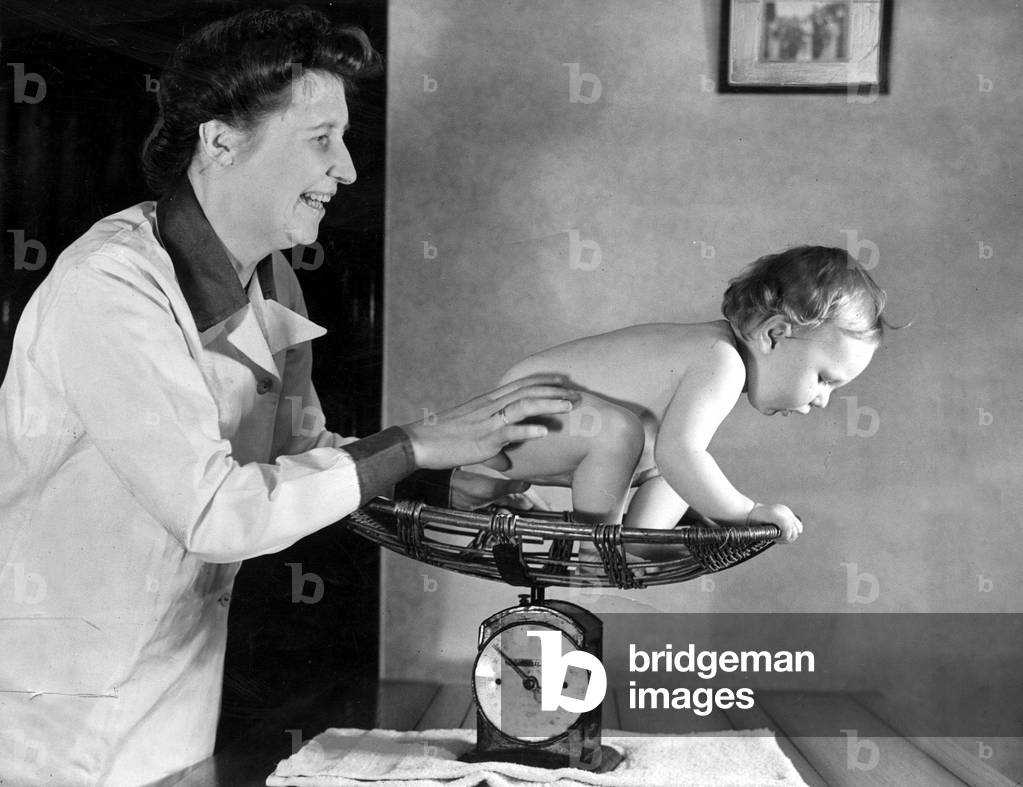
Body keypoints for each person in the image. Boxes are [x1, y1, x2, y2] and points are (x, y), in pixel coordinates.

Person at [0, 8, 578, 785]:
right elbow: (216, 511)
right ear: (221, 140)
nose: (345, 169)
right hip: (48, 714)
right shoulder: (110, 287)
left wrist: (458, 480)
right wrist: (413, 443)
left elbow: (307, 465)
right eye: (319, 139)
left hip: (172, 689)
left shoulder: (271, 279)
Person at [488, 246, 888, 544]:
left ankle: (640, 546)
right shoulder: (721, 360)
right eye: (824, 378)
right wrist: (744, 513)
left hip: (550, 427)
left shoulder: (718, 355)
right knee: (657, 447)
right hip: (519, 420)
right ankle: (598, 547)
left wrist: (711, 508)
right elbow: (679, 454)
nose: (822, 401)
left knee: (677, 469)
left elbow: (677, 465)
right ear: (774, 334)